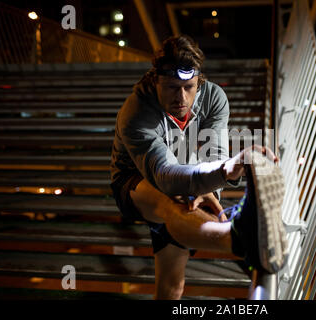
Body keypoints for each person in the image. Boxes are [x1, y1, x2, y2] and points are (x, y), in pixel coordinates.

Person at [110, 35, 287, 299]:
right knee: (170, 203)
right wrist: (227, 168)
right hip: (135, 180)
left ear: (198, 81)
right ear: (154, 79)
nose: (181, 97)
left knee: (172, 286)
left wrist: (210, 192)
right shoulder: (136, 110)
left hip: (190, 172)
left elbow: (213, 154)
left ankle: (245, 234)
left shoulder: (214, 97)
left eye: (189, 87)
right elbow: (165, 176)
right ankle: (240, 236)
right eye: (171, 87)